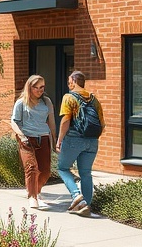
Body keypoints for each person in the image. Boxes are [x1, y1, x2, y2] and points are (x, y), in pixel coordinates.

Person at [56, 70, 105, 217]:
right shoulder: (94, 99)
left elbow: (65, 121)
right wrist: (91, 139)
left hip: (73, 139)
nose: (68, 83)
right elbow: (102, 124)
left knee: (62, 168)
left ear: (73, 81)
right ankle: (86, 206)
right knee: (86, 173)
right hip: (92, 141)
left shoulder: (69, 97)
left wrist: (59, 140)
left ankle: (76, 196)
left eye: (69, 81)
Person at [10, 74, 57, 210]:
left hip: (43, 137)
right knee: (31, 167)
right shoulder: (21, 103)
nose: (39, 90)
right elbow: (14, 121)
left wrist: (55, 140)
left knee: (45, 171)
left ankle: (36, 192)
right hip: (26, 138)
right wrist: (22, 136)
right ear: (29, 87)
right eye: (36, 87)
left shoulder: (46, 102)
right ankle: (32, 197)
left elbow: (52, 122)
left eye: (42, 87)